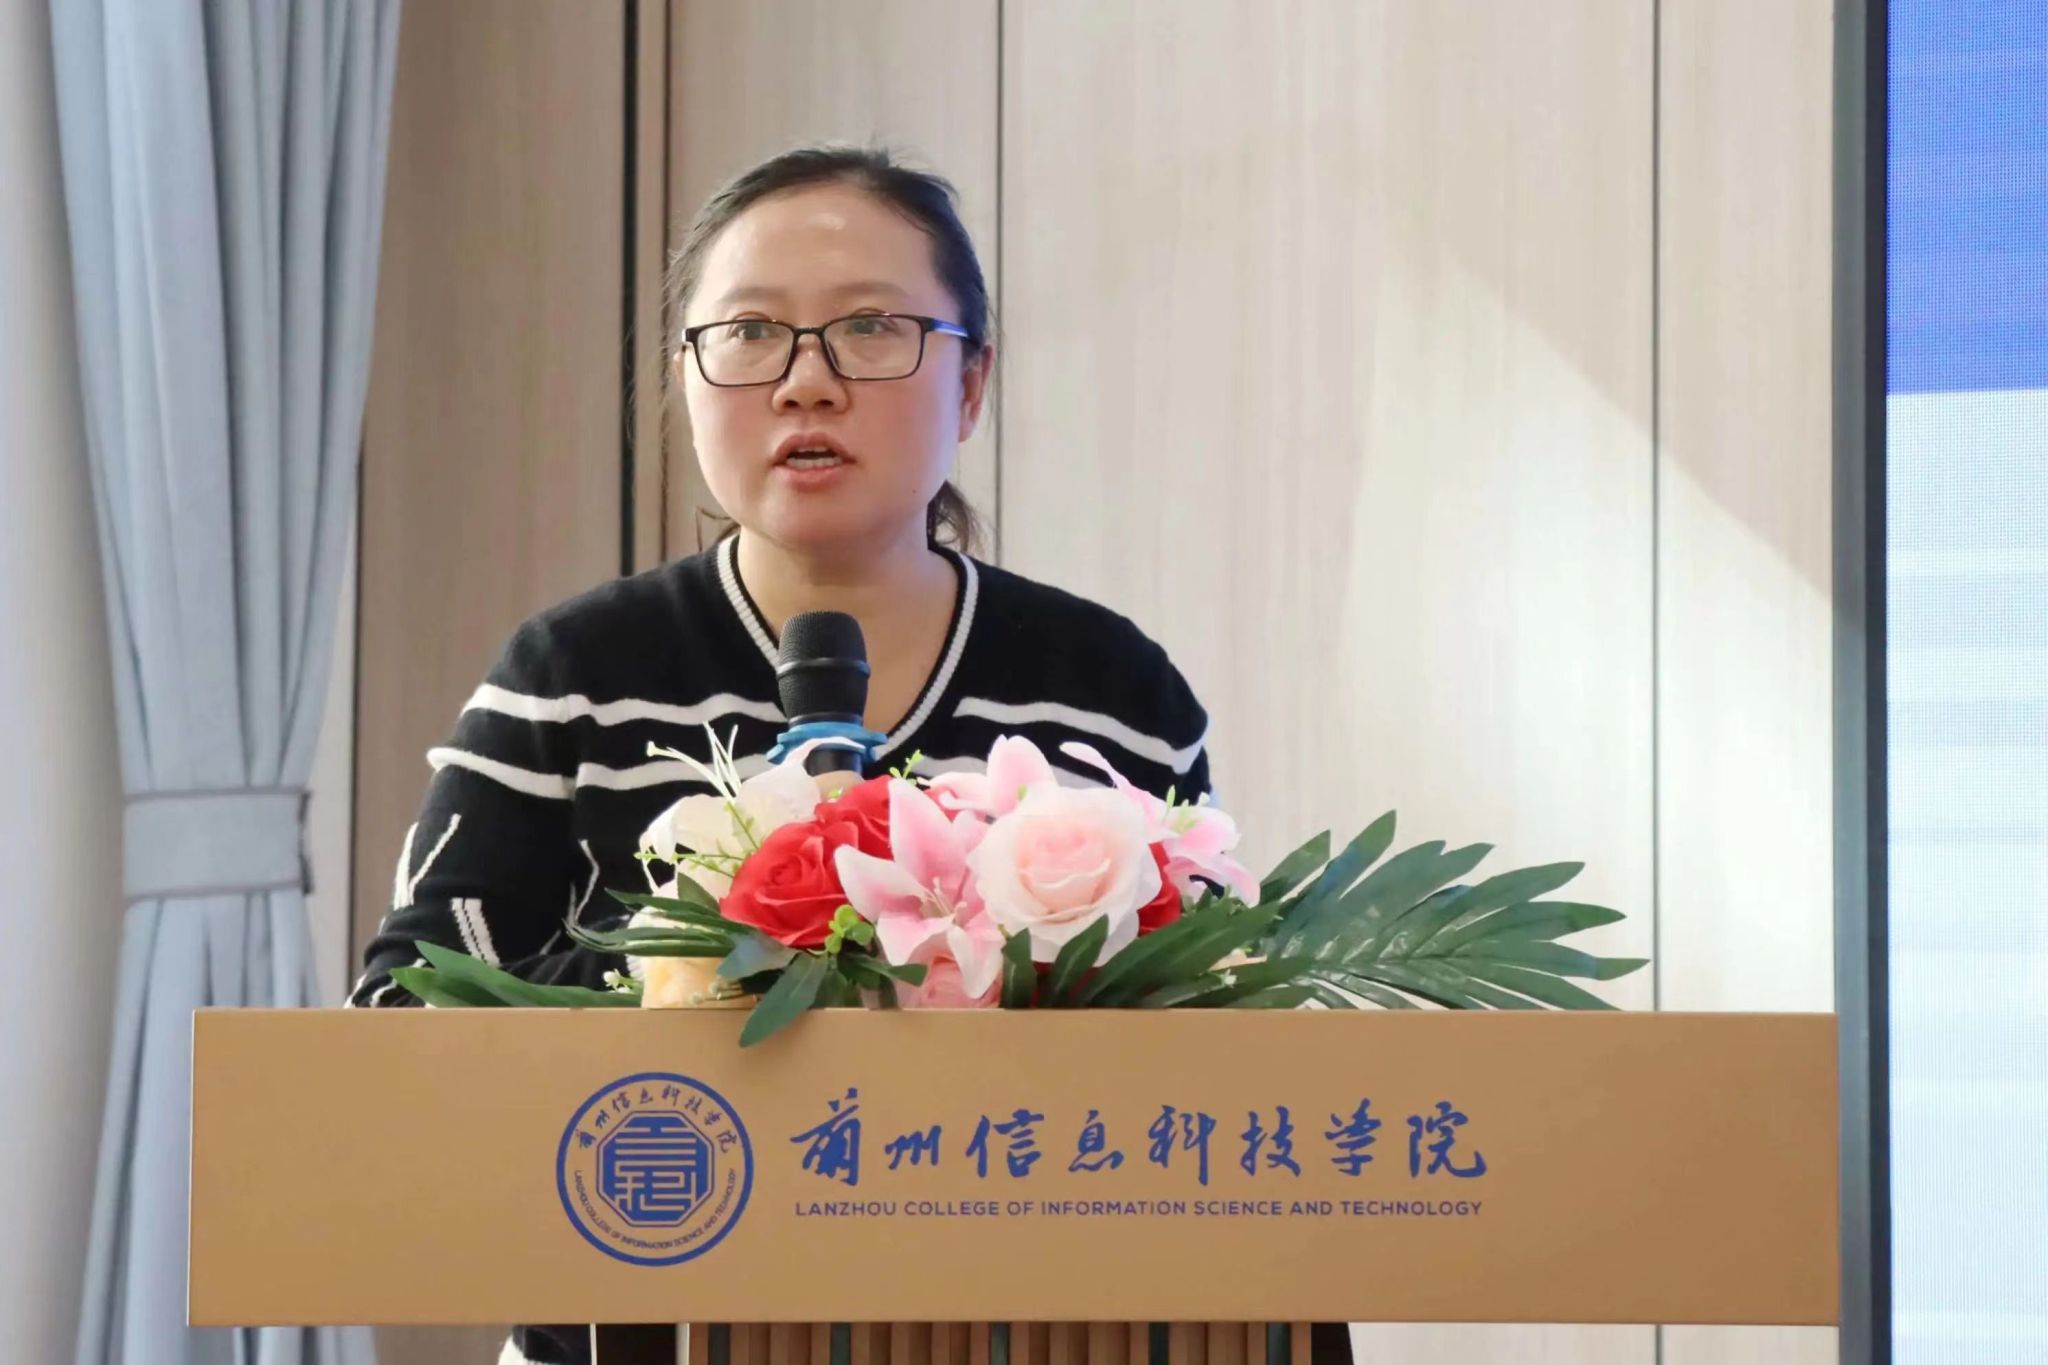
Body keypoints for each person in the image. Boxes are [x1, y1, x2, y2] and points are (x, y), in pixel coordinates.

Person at [348, 144, 1247, 1365]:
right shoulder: (571, 677)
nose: (805, 384)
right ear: (687, 377)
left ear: (970, 383)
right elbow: (407, 1014)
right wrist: (700, 956)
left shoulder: (1110, 692)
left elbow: (1213, 1043)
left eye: (870, 329)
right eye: (750, 334)